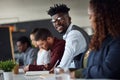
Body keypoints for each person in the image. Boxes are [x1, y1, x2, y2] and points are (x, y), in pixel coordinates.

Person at [70, 0, 120, 79]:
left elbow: (108, 71)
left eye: (90, 15)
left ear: (103, 17)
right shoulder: (98, 39)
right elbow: (86, 65)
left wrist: (79, 73)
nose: (89, 19)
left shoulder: (116, 41)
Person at [47, 4, 90, 68]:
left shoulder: (73, 34)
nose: (57, 23)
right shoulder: (70, 33)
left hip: (82, 74)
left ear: (69, 19)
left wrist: (57, 70)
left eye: (60, 19)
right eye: (54, 21)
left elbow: (64, 65)